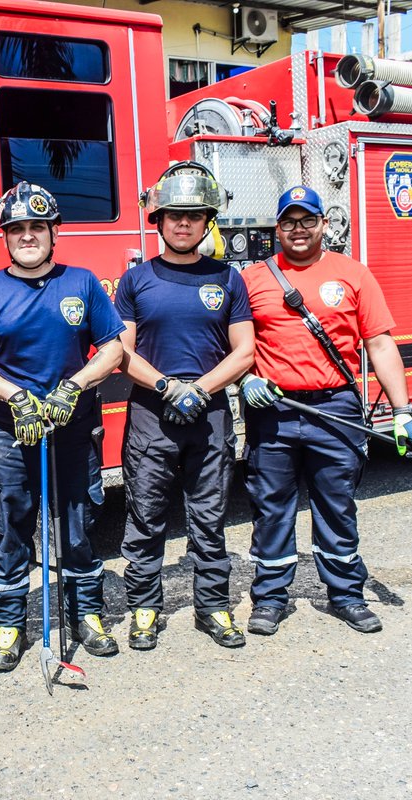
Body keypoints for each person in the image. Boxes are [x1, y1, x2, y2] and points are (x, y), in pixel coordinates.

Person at [0, 182, 124, 672]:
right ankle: (9, 625)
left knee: (76, 525)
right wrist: (16, 397)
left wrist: (76, 385)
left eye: (36, 227)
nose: (27, 236)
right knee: (11, 528)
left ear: (54, 232)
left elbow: (113, 348)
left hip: (72, 427)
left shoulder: (82, 283)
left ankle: (86, 614)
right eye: (17, 229)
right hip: (10, 432)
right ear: (5, 236)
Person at [239, 185, 412, 636]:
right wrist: (244, 380)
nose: (298, 229)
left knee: (337, 507)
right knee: (271, 509)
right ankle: (270, 600)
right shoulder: (252, 279)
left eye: (307, 220)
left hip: (335, 407)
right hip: (274, 410)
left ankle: (346, 596)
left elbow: (380, 344)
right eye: (289, 222)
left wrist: (403, 411)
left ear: (324, 224)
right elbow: (231, 343)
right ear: (277, 228)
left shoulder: (353, 274)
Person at [115, 162, 254, 651]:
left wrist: (200, 389)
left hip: (209, 415)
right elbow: (121, 352)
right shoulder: (135, 281)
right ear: (158, 219)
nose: (183, 223)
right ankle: (144, 609)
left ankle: (213, 607)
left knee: (209, 518)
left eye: (194, 215)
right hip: (151, 416)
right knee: (145, 517)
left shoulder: (228, 278)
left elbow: (244, 350)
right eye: (174, 214)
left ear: (207, 221)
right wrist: (168, 387)